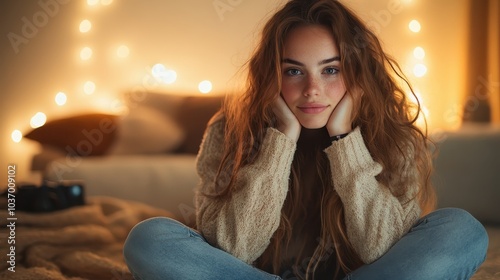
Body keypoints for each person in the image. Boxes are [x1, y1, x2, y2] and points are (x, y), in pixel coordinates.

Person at [123, 0, 488, 279]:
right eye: (294, 71)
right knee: (149, 239)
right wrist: (281, 140)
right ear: (271, 75)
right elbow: (234, 250)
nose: (313, 91)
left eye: (331, 70)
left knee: (463, 230)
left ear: (357, 75)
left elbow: (382, 248)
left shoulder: (393, 135)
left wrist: (344, 139)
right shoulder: (228, 129)